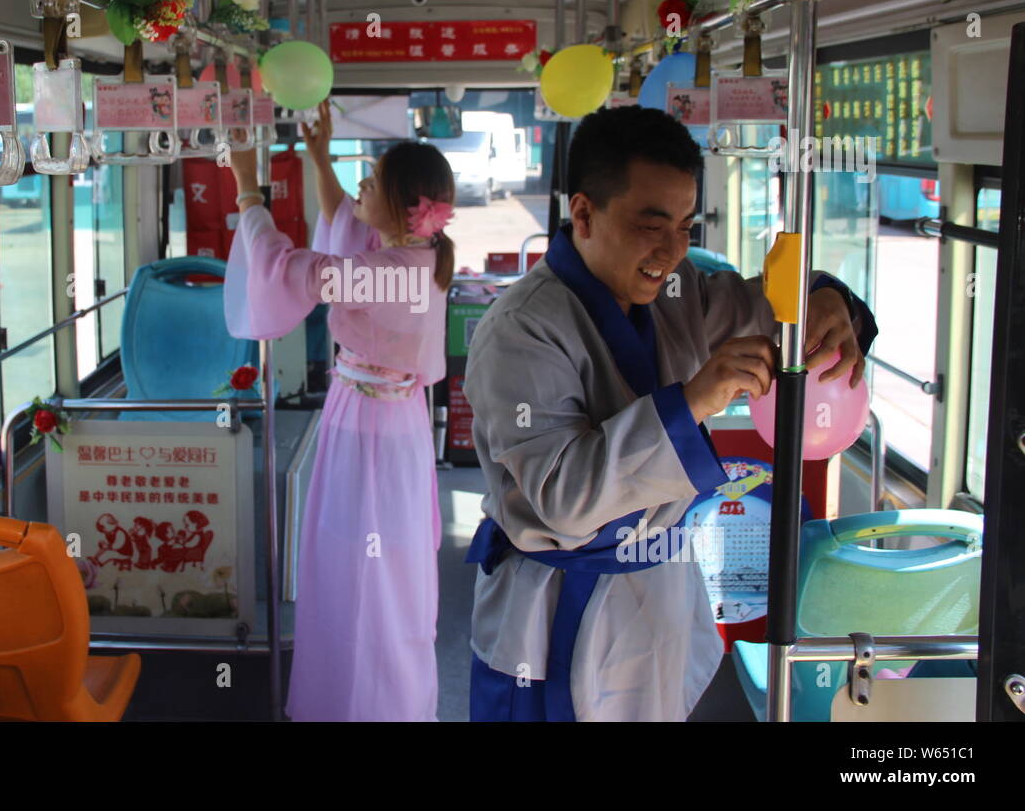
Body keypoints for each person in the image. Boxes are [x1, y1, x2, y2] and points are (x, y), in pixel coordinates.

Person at [463, 105, 877, 722]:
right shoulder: (521, 329)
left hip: (658, 583)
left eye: (687, 225)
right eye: (652, 225)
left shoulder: (678, 295)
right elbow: (564, 496)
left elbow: (770, 305)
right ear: (583, 214)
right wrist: (692, 404)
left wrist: (823, 297)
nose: (673, 250)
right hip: (555, 603)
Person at [223, 99, 455, 721]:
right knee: (366, 571)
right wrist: (317, 156)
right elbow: (342, 223)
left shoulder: (392, 276)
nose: (361, 186)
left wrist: (249, 191)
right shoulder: (412, 258)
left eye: (372, 181)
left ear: (406, 208)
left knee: (366, 576)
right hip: (379, 423)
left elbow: (289, 270)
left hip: (370, 436)